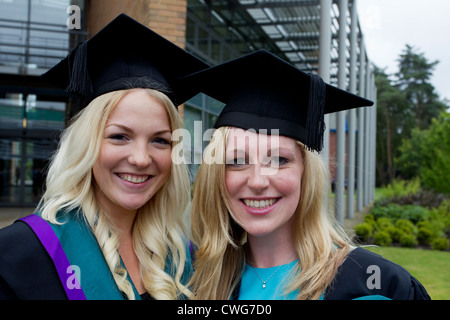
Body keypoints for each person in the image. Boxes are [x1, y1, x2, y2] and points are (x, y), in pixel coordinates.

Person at [186, 49, 430, 300]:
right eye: (237, 161)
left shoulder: (371, 285)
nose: (258, 181)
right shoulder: (200, 281)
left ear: (306, 172)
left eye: (279, 160)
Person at [0, 14, 208, 300]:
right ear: (86, 144)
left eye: (160, 140)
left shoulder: (184, 256)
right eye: (119, 136)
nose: (140, 158)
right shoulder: (18, 255)